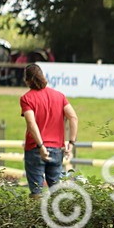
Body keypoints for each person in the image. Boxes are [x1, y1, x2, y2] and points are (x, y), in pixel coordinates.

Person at [19, 63, 78, 198]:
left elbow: (31, 122)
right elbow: (73, 117)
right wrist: (71, 143)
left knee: (37, 193)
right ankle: (57, 217)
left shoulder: (26, 98)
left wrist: (41, 146)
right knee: (57, 192)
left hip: (35, 148)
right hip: (57, 149)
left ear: (27, 80)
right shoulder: (59, 96)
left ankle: (37, 218)